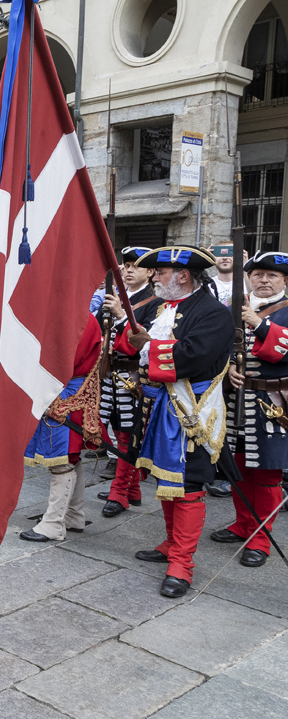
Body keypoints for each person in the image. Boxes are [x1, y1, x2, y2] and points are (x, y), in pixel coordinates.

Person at [115, 245, 234, 598]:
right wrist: (135, 337)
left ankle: (182, 564)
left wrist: (148, 346)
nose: (155, 277)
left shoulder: (213, 313)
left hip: (192, 412)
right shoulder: (160, 307)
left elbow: (193, 356)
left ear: (182, 275)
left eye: (160, 273)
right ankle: (170, 545)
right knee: (166, 482)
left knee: (189, 486)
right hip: (159, 408)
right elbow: (128, 343)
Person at [218, 251, 288, 568]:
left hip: (274, 406)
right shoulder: (235, 310)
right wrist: (227, 369)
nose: (262, 279)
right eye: (257, 274)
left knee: (268, 475)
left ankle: (261, 538)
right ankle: (242, 524)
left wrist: (259, 324)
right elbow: (220, 348)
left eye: (270, 275)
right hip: (237, 402)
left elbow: (280, 352)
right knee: (239, 467)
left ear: (284, 280)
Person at [20, 314, 104, 542]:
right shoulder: (80, 315)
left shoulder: (77, 318)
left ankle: (53, 524)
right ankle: (74, 515)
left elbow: (59, 360)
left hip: (64, 392)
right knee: (70, 458)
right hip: (65, 390)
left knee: (62, 460)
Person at [98, 247, 158, 517]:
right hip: (111, 373)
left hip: (135, 377)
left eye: (136, 266)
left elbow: (140, 346)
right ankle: (132, 488)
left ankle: (119, 491)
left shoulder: (156, 302)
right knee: (114, 426)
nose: (129, 270)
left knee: (128, 434)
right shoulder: (115, 297)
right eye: (126, 264)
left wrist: (122, 317)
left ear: (150, 272)